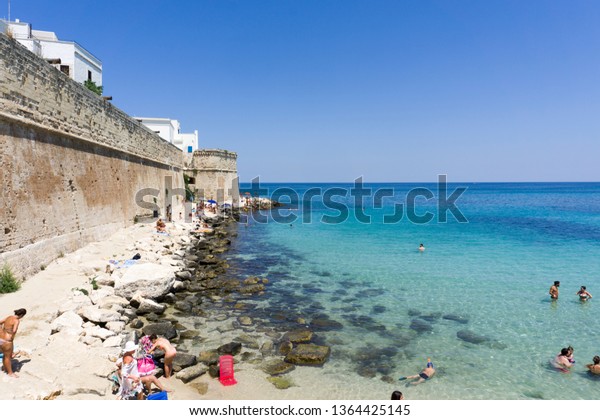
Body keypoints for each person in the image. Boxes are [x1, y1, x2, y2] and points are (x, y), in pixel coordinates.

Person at [0, 308, 26, 378]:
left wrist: (2, 330)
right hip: (7, 340)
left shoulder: (9, 317)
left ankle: (4, 368)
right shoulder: (16, 320)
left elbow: (0, 322)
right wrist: (10, 333)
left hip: (1, 338)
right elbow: (14, 330)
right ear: (21, 315)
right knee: (8, 357)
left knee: (5, 355)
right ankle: (10, 373)